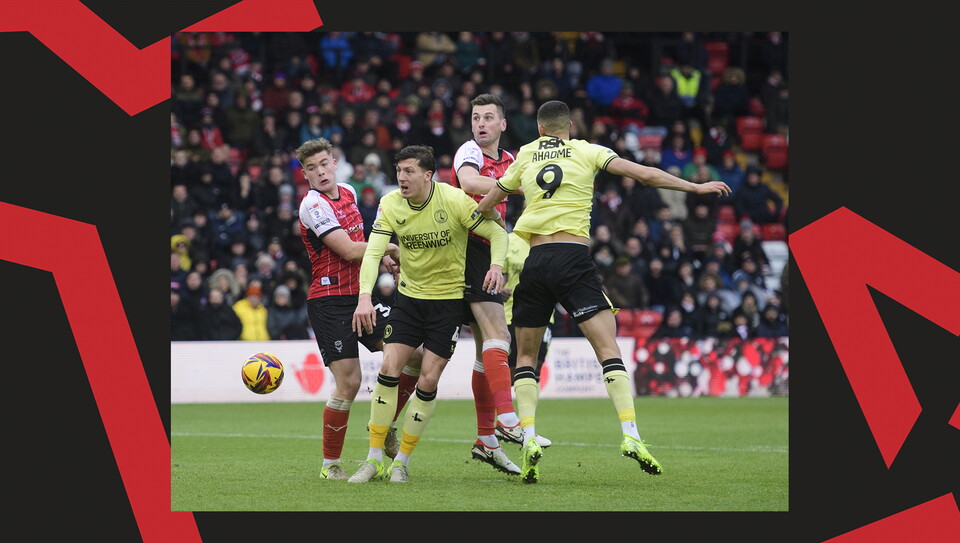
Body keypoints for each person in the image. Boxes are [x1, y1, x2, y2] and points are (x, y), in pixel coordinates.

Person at [476, 99, 731, 483]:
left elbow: (492, 197)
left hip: (536, 259)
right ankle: (630, 433)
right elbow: (643, 174)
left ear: (541, 129)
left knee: (525, 355)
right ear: (570, 127)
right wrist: (693, 186)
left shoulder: (525, 154)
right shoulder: (588, 151)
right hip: (573, 258)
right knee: (607, 349)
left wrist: (473, 218)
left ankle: (527, 434)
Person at [348, 145, 509, 483]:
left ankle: (401, 462)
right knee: (389, 368)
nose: (402, 178)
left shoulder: (453, 200)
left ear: (427, 175)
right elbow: (374, 250)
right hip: (408, 299)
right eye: (399, 171)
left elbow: (496, 231)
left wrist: (496, 265)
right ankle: (373, 458)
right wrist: (365, 297)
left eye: (409, 171)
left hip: (447, 303)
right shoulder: (390, 204)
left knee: (429, 380)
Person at [293, 137, 424, 481]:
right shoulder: (312, 205)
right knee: (349, 383)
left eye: (324, 163)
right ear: (305, 175)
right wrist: (390, 250)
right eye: (311, 168)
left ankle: (388, 424)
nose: (320, 171)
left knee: (415, 355)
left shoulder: (349, 192)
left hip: (362, 295)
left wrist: (382, 263)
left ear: (335, 162)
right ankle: (329, 465)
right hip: (329, 301)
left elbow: (364, 248)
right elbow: (350, 250)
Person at [445, 93, 552, 475]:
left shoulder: (513, 159)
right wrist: (518, 185)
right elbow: (470, 181)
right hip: (464, 245)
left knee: (481, 348)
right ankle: (507, 421)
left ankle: (487, 438)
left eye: (489, 117)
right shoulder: (468, 152)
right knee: (494, 338)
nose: (481, 123)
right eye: (476, 117)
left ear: (503, 124)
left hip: (486, 250)